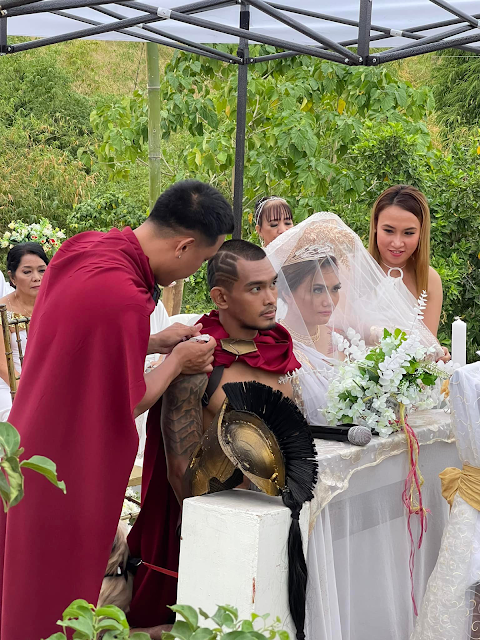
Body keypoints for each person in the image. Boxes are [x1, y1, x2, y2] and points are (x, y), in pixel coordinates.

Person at [0, 180, 234, 640]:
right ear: (184, 246)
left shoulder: (82, 248)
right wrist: (176, 362)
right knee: (57, 592)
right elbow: (129, 399)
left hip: (27, 440)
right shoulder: (124, 296)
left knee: (22, 577)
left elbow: (76, 337)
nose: (193, 271)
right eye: (201, 261)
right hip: (69, 461)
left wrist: (151, 340)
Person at [127, 239, 300, 638]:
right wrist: (221, 540)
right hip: (216, 531)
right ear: (221, 297)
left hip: (284, 523)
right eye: (256, 288)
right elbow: (179, 473)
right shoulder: (198, 363)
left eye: (273, 284)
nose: (271, 298)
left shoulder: (278, 348)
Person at [266, 211, 444, 426]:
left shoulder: (341, 337)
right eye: (317, 290)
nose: (329, 301)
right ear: (286, 293)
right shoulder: (275, 347)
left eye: (335, 289)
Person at [368, 185, 443, 337]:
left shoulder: (430, 279)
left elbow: (428, 342)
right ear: (375, 225)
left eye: (408, 233)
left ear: (421, 232)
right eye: (388, 231)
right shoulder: (353, 270)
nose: (397, 243)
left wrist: (437, 350)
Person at [0, 242, 49, 421]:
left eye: (42, 270)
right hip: (11, 385)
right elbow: (2, 366)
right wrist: (33, 394)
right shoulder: (2, 310)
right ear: (12, 277)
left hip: (50, 380)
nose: (36, 278)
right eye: (27, 272)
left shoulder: (57, 304)